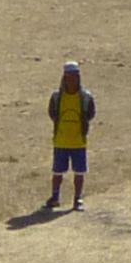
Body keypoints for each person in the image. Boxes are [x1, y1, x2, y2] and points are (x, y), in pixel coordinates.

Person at [45, 61, 96, 211]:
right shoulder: (57, 97)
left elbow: (91, 114)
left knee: (79, 172)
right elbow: (52, 113)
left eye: (74, 76)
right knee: (57, 172)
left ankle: (77, 199)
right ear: (64, 77)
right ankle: (55, 197)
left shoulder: (85, 97)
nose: (72, 80)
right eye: (69, 76)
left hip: (78, 141)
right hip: (60, 141)